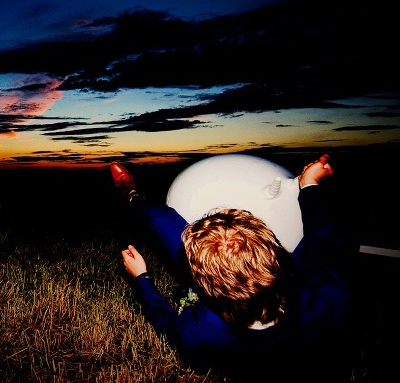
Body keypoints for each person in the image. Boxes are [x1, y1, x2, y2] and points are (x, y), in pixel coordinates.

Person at [113, 154, 354, 373]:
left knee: (160, 221)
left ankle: (132, 196)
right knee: (321, 246)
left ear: (202, 284)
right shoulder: (330, 299)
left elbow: (166, 325)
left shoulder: (199, 333)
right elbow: (326, 238)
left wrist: (141, 278)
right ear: (273, 250)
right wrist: (309, 185)